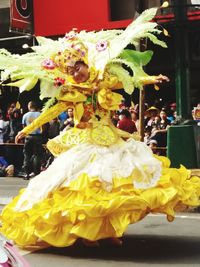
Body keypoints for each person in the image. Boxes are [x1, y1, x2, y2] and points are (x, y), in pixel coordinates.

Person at [0, 6, 200, 248]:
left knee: (112, 190)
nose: (77, 72)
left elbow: (130, 80)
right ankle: (88, 232)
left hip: (111, 140)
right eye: (71, 70)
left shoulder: (104, 79)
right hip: (85, 143)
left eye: (78, 66)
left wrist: (152, 78)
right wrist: (27, 129)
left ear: (86, 62)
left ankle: (107, 230)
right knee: (84, 190)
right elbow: (52, 111)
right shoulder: (72, 92)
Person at [21, 101, 44, 179]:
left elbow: (24, 128)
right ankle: (36, 173)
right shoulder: (40, 115)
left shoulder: (25, 115)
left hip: (28, 137)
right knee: (37, 155)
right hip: (38, 137)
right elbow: (44, 126)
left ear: (29, 106)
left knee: (27, 155)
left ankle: (26, 173)